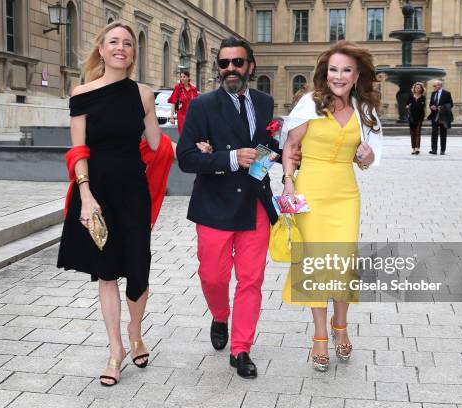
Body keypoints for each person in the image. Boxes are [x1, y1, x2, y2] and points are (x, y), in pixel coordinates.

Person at [57, 22, 170, 387]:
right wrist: (85, 195)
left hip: (133, 191)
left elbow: (156, 144)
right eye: (114, 42)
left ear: (132, 53)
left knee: (139, 268)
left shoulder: (143, 94)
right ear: (102, 50)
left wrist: (192, 140)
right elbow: (78, 150)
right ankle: (116, 350)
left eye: (128, 43)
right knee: (106, 274)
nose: (121, 48)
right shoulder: (82, 93)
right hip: (97, 190)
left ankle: (136, 331)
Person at [176, 37, 286, 379]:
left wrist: (265, 161)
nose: (230, 70)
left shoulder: (265, 103)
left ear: (250, 66)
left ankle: (241, 348)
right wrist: (229, 158)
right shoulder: (202, 106)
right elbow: (186, 158)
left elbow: (269, 149)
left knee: (251, 279)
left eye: (237, 63)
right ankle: (220, 314)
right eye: (224, 64)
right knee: (213, 276)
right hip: (214, 205)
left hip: (254, 203)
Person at [280, 40, 381, 372]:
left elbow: (366, 156)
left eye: (346, 70)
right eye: (333, 69)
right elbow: (291, 148)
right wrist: (289, 181)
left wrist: (367, 158)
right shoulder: (311, 103)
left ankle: (342, 325)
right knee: (314, 266)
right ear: (325, 73)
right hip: (311, 193)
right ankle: (321, 334)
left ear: (356, 75)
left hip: (345, 194)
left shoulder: (364, 110)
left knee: (341, 264)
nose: (339, 76)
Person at [427, 80, 453, 155]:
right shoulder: (433, 93)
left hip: (443, 116)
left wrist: (442, 107)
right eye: (433, 86)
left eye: (435, 86)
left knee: (443, 133)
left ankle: (442, 150)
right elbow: (431, 103)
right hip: (434, 116)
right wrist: (431, 107)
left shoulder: (446, 93)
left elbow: (451, 104)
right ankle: (434, 150)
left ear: (440, 86)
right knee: (434, 133)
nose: (433, 87)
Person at [406, 82, 426, 155]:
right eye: (416, 87)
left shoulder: (423, 97)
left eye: (419, 88)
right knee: (412, 133)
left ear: (421, 89)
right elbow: (407, 105)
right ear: (414, 88)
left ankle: (417, 148)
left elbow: (421, 107)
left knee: (418, 133)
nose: (417, 89)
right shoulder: (410, 96)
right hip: (411, 117)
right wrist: (408, 106)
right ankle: (413, 148)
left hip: (419, 117)